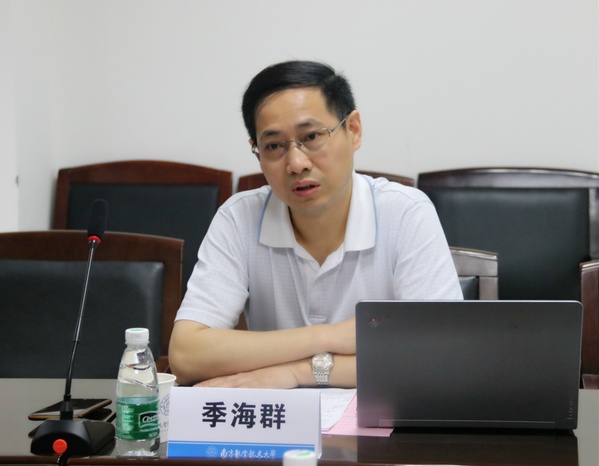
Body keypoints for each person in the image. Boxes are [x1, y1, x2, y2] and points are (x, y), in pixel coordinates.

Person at [168, 60, 462, 388]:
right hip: (278, 420)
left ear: (353, 130)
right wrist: (330, 336)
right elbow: (186, 355)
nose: (296, 163)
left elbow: (439, 354)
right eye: (274, 146)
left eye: (311, 136)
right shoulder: (239, 218)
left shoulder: (406, 213)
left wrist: (298, 372)